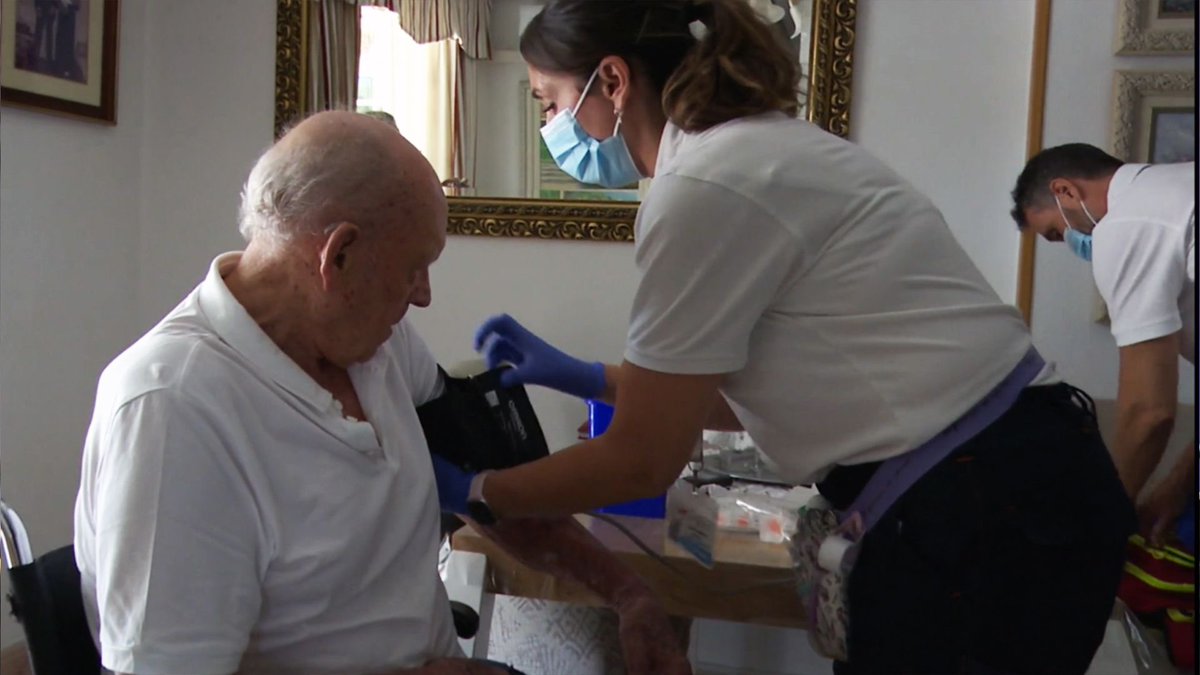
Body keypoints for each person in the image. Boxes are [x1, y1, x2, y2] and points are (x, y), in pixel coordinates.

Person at [433, 1, 1137, 673]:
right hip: (1023, 472)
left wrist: (478, 489)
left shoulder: (705, 187)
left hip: (983, 503)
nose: (551, 127)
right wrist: (595, 377)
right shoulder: (759, 149)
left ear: (612, 81)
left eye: (549, 102)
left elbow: (643, 458)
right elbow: (751, 394)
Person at [73, 111, 690, 675]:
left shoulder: (378, 345)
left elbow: (490, 493)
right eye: (413, 267)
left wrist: (629, 594)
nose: (423, 295)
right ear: (337, 256)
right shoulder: (173, 409)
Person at [1010, 143, 1196, 550]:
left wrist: (1102, 521)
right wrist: (1178, 484)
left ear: (1066, 191)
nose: (1074, 244)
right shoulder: (1176, 187)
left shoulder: (1125, 226)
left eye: (1057, 233)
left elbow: (1149, 412)